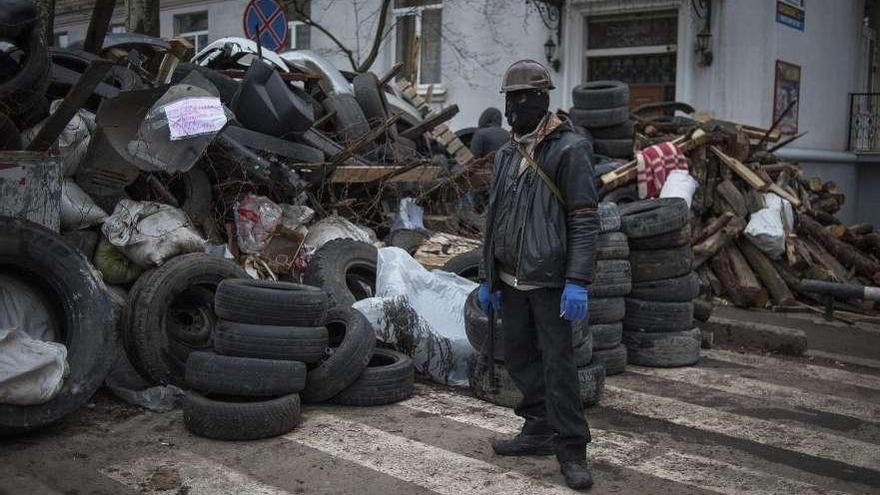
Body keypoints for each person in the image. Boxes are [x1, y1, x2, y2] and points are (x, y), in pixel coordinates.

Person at [478, 59, 599, 490]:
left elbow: (585, 219)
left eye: (520, 99)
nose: (512, 109)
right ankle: (537, 429)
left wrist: (577, 281)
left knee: (558, 366)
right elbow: (493, 217)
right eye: (509, 100)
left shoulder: (570, 150)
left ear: (542, 100)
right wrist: (487, 276)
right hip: (511, 279)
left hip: (550, 281)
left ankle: (572, 450)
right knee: (519, 357)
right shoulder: (508, 152)